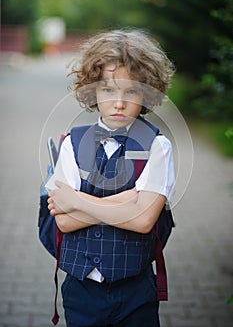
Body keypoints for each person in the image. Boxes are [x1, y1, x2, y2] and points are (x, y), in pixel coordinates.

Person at [47, 29, 175, 327]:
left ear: (146, 93)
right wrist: (129, 202)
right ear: (93, 91)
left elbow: (144, 221)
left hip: (136, 289)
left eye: (131, 91)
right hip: (81, 289)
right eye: (108, 90)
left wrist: (76, 200)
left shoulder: (157, 146)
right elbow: (64, 221)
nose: (118, 102)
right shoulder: (72, 142)